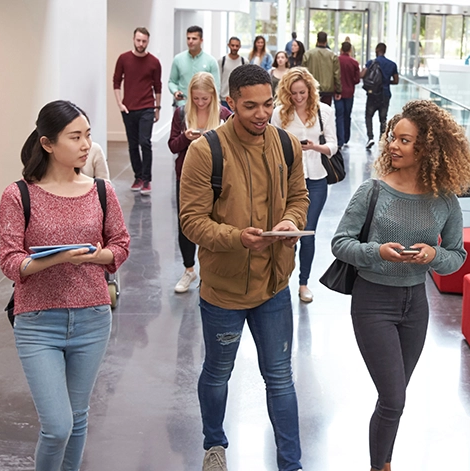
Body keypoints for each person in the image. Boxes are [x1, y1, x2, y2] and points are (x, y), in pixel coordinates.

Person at [330, 99, 470, 471]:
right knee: (394, 399)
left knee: (394, 398)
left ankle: (383, 462)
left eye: (404, 140)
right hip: (373, 301)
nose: (393, 146)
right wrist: (377, 251)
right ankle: (380, 466)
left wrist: (433, 256)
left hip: (415, 304)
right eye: (393, 138)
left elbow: (457, 256)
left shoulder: (444, 200)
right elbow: (340, 243)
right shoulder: (373, 191)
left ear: (426, 148)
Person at [179, 64, 308, 471]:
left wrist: (291, 223)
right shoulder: (205, 151)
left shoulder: (288, 145)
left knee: (280, 378)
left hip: (273, 286)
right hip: (224, 290)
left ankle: (291, 464)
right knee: (217, 374)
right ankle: (214, 445)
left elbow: (299, 197)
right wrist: (237, 237)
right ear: (230, 103)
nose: (261, 113)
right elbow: (192, 221)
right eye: (250, 106)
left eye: (268, 103)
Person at [0, 100, 131, 471]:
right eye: (75, 137)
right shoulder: (18, 194)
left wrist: (96, 257)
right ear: (47, 144)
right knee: (58, 426)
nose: (86, 144)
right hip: (38, 321)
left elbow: (120, 244)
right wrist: (58, 257)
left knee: (77, 419)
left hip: (92, 317)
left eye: (87, 135)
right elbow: (11, 262)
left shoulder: (101, 190)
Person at [271, 68, 337, 303]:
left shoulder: (324, 111)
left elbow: (333, 146)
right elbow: (273, 145)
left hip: (317, 179)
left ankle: (303, 283)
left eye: (302, 92)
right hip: (288, 179)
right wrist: (292, 149)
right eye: (294, 93)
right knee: (286, 232)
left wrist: (314, 147)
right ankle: (281, 281)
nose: (299, 97)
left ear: (310, 90)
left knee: (307, 233)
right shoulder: (279, 113)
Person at [169, 72, 232, 294]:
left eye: (205, 99)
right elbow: (173, 146)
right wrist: (186, 137)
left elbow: (234, 146)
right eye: (196, 99)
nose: (200, 103)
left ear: (213, 96)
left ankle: (210, 270)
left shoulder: (224, 114)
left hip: (218, 176)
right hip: (187, 176)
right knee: (186, 223)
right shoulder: (181, 113)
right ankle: (189, 269)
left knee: (215, 222)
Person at [113, 26, 162, 195]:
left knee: (145, 142)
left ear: (148, 41)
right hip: (128, 109)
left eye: (144, 41)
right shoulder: (123, 59)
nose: (141, 44)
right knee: (133, 145)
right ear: (133, 39)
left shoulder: (154, 62)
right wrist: (120, 103)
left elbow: (158, 86)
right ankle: (138, 177)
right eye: (138, 40)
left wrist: (157, 108)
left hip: (147, 107)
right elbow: (116, 81)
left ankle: (147, 179)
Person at [168, 25, 220, 109]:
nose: (190, 41)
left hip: (203, 106)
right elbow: (172, 81)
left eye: (194, 39)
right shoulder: (178, 59)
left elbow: (216, 86)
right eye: (188, 38)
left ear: (201, 40)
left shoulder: (211, 61)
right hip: (183, 105)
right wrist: (175, 92)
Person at [363, 42, 399, 150]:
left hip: (372, 94)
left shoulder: (371, 63)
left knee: (369, 116)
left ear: (376, 50)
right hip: (385, 94)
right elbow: (396, 81)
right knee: (383, 119)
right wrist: (386, 82)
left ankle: (370, 138)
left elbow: (362, 74)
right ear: (385, 50)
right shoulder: (392, 64)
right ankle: (382, 140)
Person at [302, 31, 340, 105]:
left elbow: (303, 72)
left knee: (312, 111)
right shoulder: (332, 56)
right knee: (325, 113)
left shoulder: (308, 54)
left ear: (317, 40)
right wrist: (338, 90)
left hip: (312, 87)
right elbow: (336, 74)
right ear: (326, 41)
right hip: (327, 90)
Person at [334, 41, 361, 147]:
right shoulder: (354, 63)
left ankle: (339, 139)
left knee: (339, 115)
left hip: (337, 92)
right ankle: (346, 138)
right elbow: (357, 80)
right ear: (350, 50)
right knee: (347, 115)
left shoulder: (336, 60)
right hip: (349, 92)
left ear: (341, 49)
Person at [219, 36, 246, 110]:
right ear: (228, 45)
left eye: (237, 46)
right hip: (224, 97)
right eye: (232, 45)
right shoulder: (222, 60)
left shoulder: (244, 61)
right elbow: (218, 79)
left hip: (238, 98)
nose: (234, 48)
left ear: (240, 47)